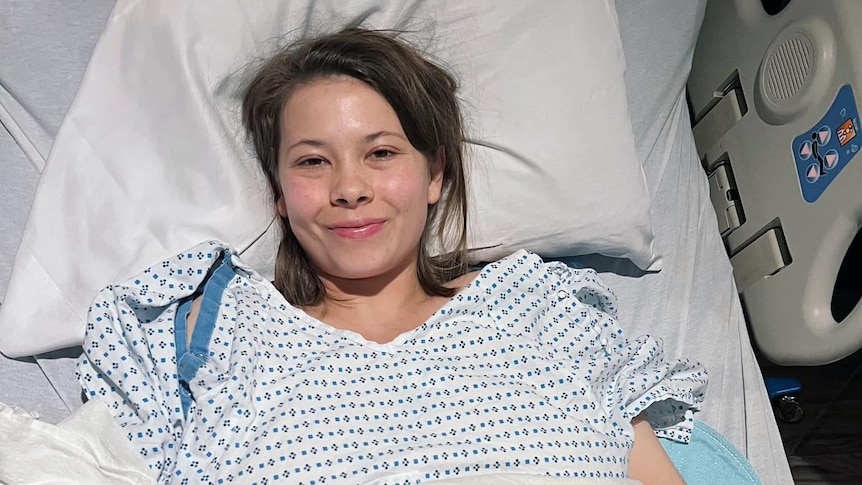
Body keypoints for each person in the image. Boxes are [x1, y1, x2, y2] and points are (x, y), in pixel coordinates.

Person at [77, 27, 706, 484]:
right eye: (312, 162)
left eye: (380, 153)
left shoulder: (542, 311)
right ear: (278, 195)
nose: (350, 189)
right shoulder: (206, 334)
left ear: (435, 175)